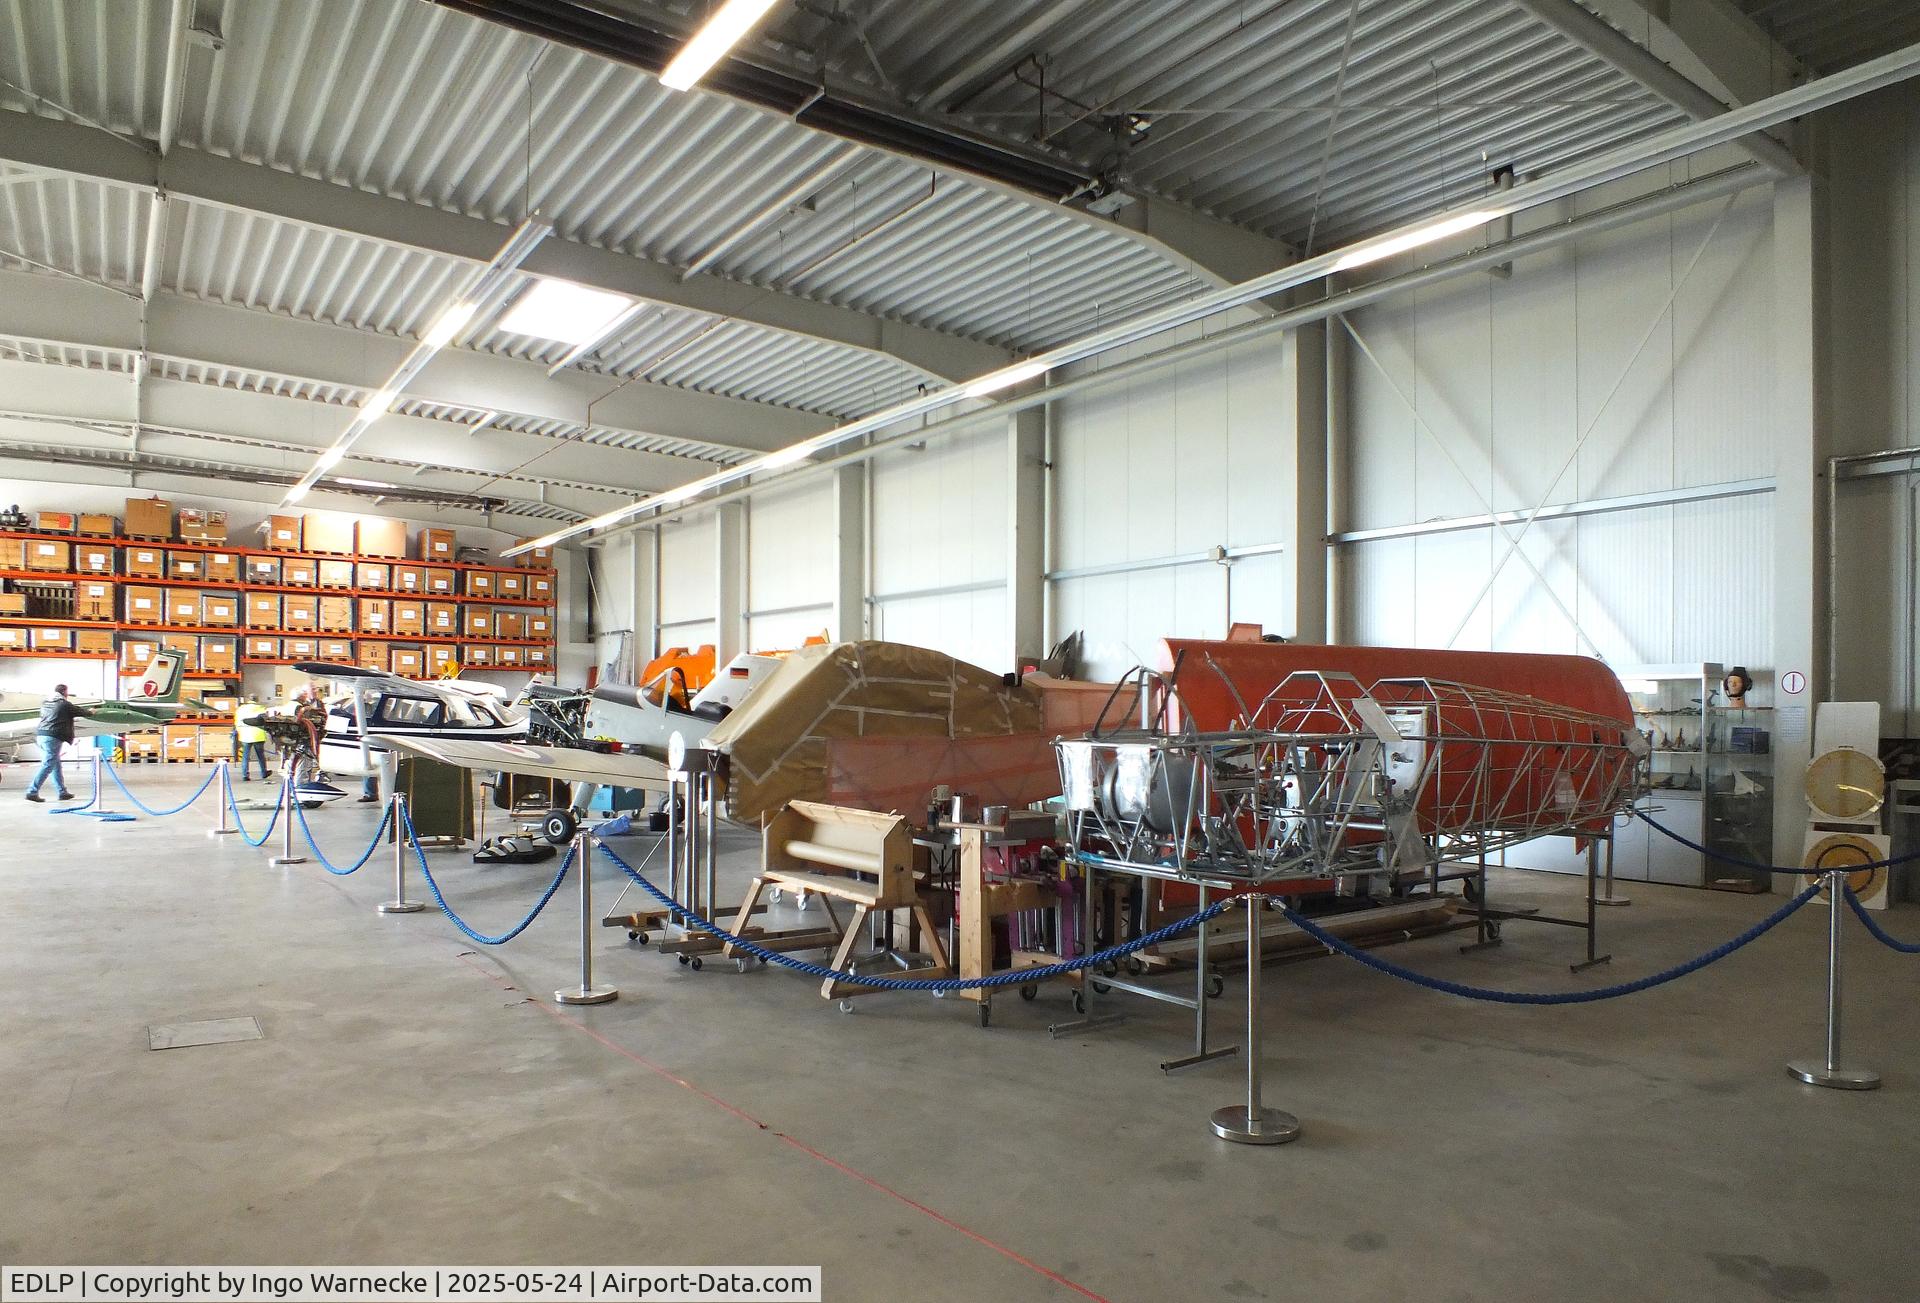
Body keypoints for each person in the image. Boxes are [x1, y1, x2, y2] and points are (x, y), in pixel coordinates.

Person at [25, 683, 93, 803]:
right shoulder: (64, 704)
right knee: (48, 765)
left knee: (55, 764)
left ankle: (62, 792)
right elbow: (82, 712)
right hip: (53, 737)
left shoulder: (45, 703)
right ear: (65, 692)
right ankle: (32, 791)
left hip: (41, 735)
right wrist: (91, 711)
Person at [233, 694, 270, 782]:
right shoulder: (262, 709)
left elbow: (237, 722)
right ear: (257, 699)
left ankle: (245, 775)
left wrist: (239, 731)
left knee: (245, 755)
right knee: (260, 755)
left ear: (248, 699)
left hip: (245, 735)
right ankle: (264, 772)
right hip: (258, 734)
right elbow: (266, 721)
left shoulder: (240, 709)